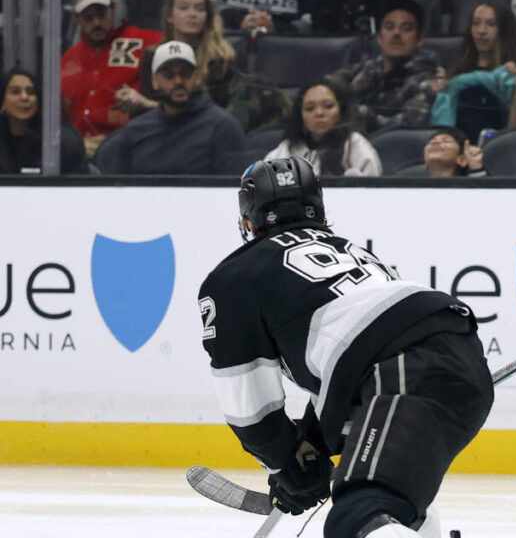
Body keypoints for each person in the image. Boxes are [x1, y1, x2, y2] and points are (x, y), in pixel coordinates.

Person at [198, 156, 493, 537]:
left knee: (356, 518)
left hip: (402, 367)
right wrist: (310, 447)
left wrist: (285, 463)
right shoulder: (355, 253)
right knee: (391, 503)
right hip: (461, 351)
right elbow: (351, 354)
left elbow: (248, 402)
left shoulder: (234, 276)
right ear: (319, 213)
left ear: (248, 222)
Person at [120, 0, 292, 134]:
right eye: (184, 8)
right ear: (170, 17)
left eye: (199, 9)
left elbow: (208, 114)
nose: (192, 14)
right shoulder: (153, 55)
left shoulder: (220, 57)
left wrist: (146, 103)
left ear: (208, 17)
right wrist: (135, 101)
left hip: (208, 134)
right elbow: (145, 112)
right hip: (161, 132)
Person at [95, 42, 245, 174]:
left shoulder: (223, 126)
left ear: (197, 77)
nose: (178, 81)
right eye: (169, 75)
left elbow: (235, 188)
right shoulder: (135, 131)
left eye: (185, 74)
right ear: (155, 81)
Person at [60, 0, 163, 156]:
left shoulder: (145, 41)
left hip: (128, 145)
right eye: (88, 17)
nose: (96, 23)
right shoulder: (69, 60)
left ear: (113, 9)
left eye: (102, 14)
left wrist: (145, 102)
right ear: (75, 17)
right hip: (78, 148)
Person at [430, 0, 516, 140]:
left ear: (504, 30)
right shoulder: (456, 76)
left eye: (491, 24)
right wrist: (434, 93)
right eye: (476, 23)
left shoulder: (513, 77)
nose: (481, 31)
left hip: (499, 149)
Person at [332, 0, 440, 134]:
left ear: (420, 39)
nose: (396, 33)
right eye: (389, 27)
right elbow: (328, 87)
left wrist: (357, 114)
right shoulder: (365, 68)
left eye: (406, 29)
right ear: (379, 38)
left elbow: (406, 127)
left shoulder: (428, 80)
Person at [264, 77, 382, 176]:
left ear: (341, 111)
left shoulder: (355, 145)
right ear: (300, 116)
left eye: (328, 106)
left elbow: (371, 190)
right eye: (310, 108)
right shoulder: (287, 149)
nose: (319, 113)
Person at [0, 68, 87, 175]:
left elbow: (78, 182)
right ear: (3, 102)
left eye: (31, 92)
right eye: (15, 92)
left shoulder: (62, 139)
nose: (24, 97)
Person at [423, 126, 488, 176]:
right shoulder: (417, 186)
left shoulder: (466, 187)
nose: (436, 142)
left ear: (462, 159)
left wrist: (475, 166)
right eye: (431, 142)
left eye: (446, 141)